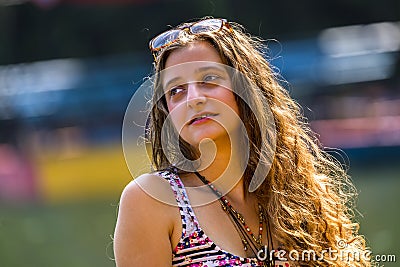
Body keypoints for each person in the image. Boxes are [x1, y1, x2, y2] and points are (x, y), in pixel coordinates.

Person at [114, 17, 371, 267]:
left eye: (209, 79)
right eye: (176, 90)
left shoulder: (298, 197)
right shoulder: (152, 200)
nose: (193, 98)